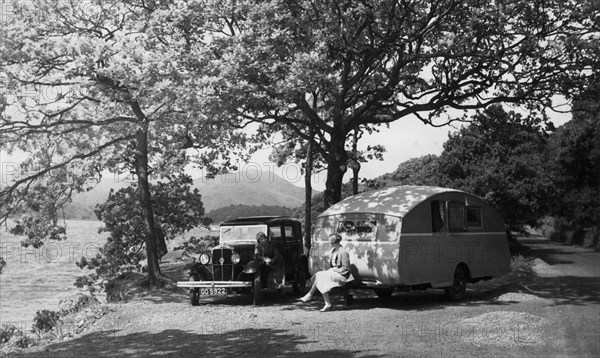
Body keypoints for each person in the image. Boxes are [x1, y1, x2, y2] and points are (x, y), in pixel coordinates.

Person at [299, 233, 353, 311]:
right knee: (319, 276)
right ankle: (325, 303)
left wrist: (334, 270)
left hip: (342, 275)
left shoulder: (343, 252)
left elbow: (346, 268)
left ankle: (311, 296)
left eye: (330, 240)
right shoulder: (334, 251)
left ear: (333, 241)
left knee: (320, 276)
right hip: (334, 272)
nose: (329, 242)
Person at [255, 232, 286, 297]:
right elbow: (257, 255)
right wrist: (264, 259)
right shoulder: (257, 246)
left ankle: (280, 290)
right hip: (265, 263)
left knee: (277, 276)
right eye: (261, 239)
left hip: (277, 263)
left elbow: (276, 255)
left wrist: (271, 260)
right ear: (259, 241)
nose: (263, 240)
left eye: (264, 238)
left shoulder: (272, 245)